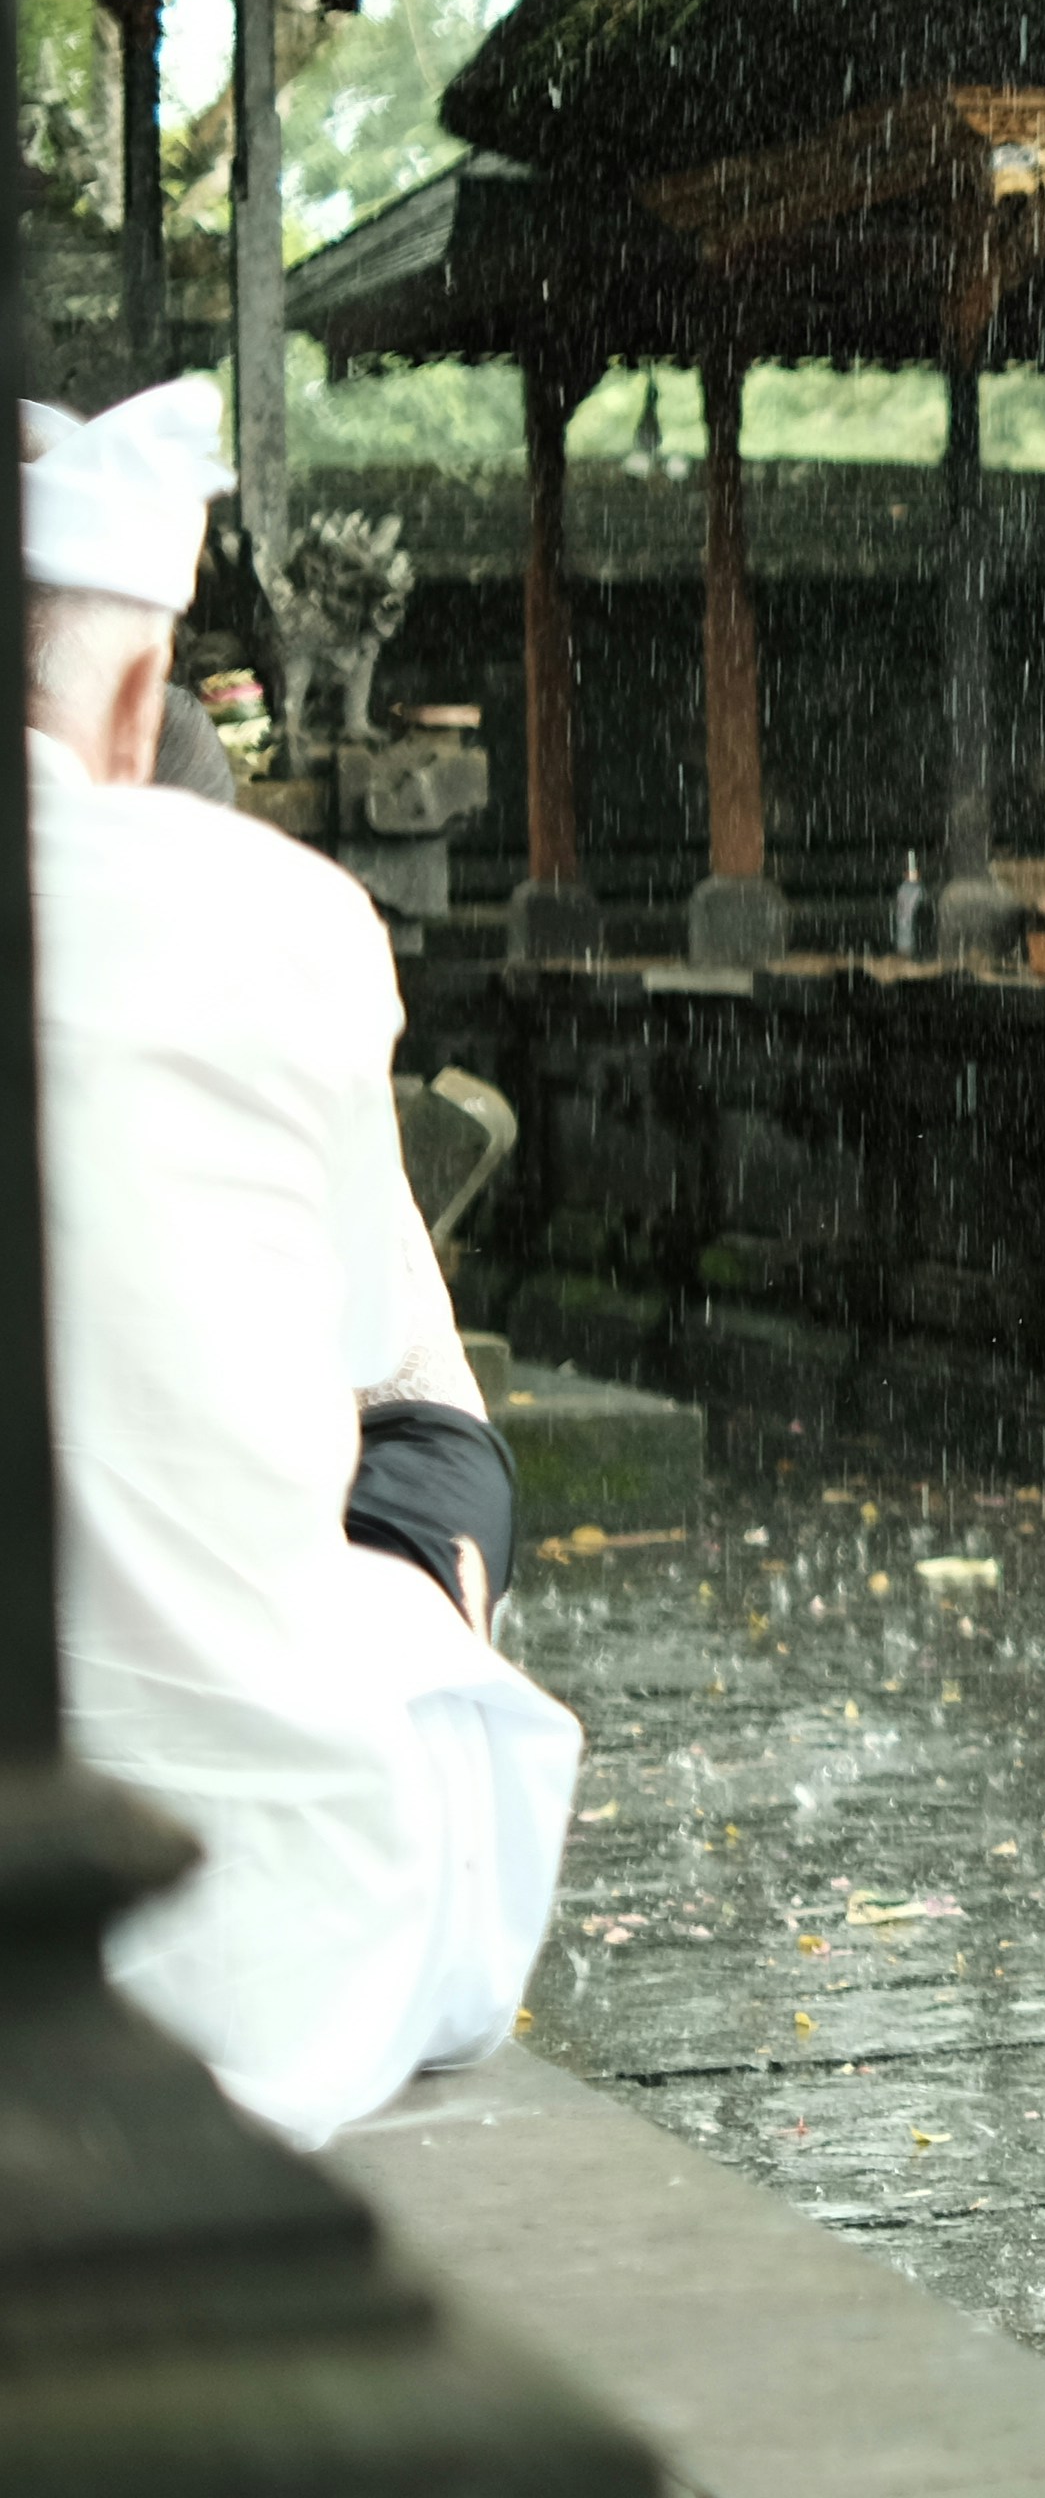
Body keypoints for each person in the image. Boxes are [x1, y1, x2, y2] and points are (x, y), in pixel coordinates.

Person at [28, 380, 582, 2144]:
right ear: (143, 701)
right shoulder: (283, 923)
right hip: (252, 1951)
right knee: (430, 1453)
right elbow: (394, 1373)